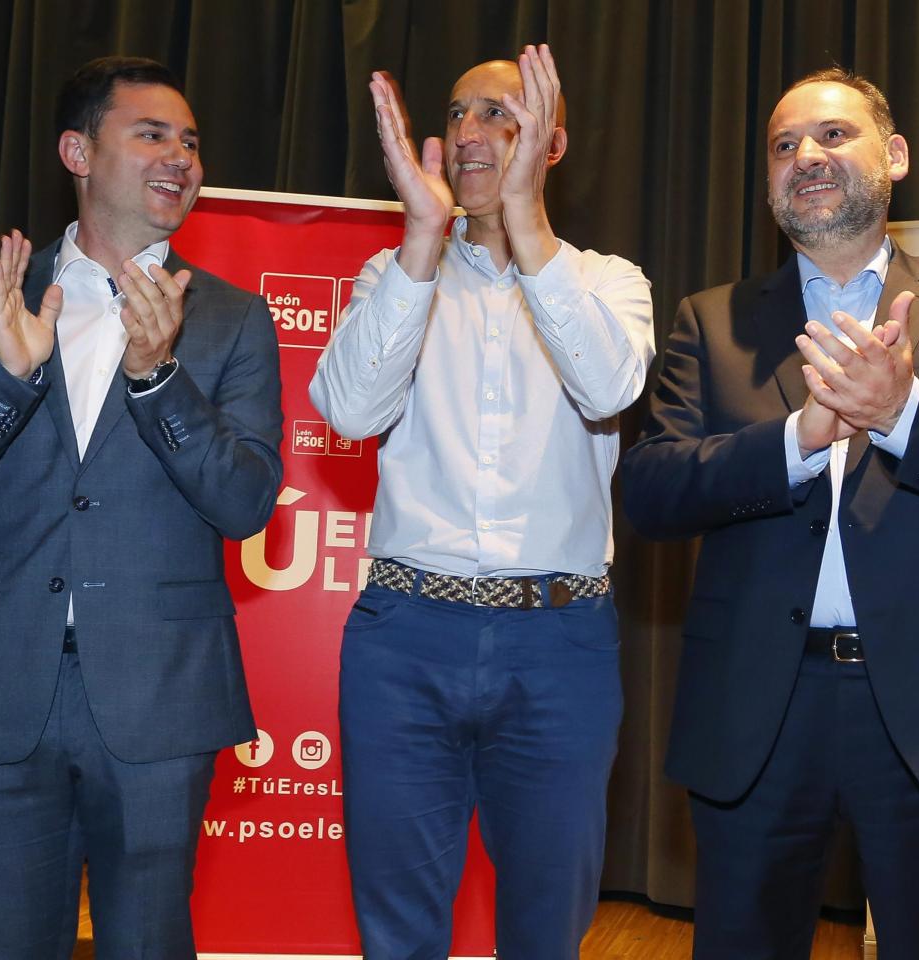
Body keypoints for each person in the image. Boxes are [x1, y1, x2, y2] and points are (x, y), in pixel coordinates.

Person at [619, 67, 919, 959]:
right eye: (785, 144)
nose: (808, 157)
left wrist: (903, 414)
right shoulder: (712, 323)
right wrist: (799, 434)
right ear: (768, 181)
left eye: (833, 136)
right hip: (758, 701)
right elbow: (652, 490)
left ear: (895, 156)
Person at [0, 56, 283, 956]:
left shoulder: (229, 321)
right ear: (77, 150)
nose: (180, 154)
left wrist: (160, 378)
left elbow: (248, 503)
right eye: (151, 133)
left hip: (159, 694)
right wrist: (4, 378)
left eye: (190, 140)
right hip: (0, 690)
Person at [308, 44, 654, 959]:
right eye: (458, 113)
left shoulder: (610, 283)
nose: (469, 131)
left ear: (552, 141)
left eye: (501, 113)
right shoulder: (396, 276)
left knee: (548, 928)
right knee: (398, 926)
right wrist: (420, 239)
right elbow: (345, 409)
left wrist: (527, 224)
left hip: (559, 642)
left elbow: (608, 387)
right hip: (405, 633)